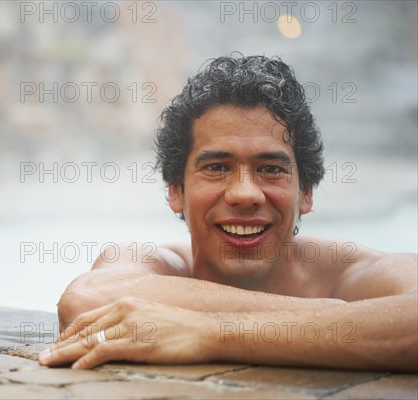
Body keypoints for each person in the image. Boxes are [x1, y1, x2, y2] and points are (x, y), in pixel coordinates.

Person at [38, 55, 418, 372]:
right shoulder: (153, 262)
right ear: (175, 191)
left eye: (271, 169)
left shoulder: (350, 271)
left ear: (305, 192)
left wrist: (210, 332)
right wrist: (338, 320)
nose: (245, 194)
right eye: (217, 167)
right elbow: (85, 302)